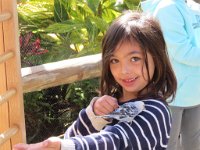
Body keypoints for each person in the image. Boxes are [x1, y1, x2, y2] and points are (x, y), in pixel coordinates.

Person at [13, 11, 177, 150]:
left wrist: (63, 146)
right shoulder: (111, 101)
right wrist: (94, 115)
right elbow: (74, 136)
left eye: (135, 58)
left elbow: (116, 140)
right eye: (114, 60)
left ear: (156, 57)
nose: (124, 71)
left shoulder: (156, 112)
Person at [141, 0, 200, 150]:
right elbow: (182, 51)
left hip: (193, 91)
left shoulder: (190, 6)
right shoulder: (168, 8)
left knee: (193, 144)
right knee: (168, 144)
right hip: (173, 93)